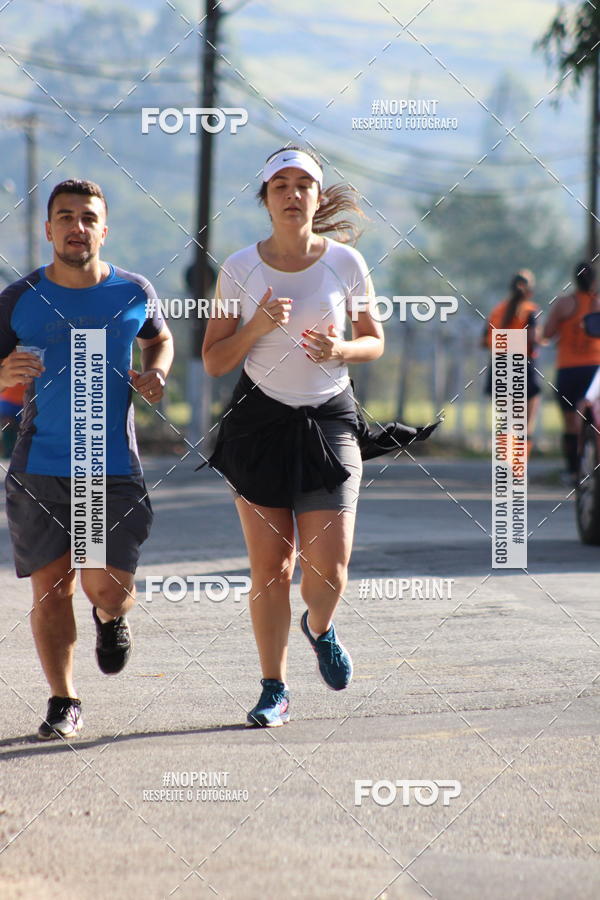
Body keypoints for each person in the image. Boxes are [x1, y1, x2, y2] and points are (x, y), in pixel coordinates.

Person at [203, 145, 423, 727]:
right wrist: (257, 326)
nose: (293, 193)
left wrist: (341, 348)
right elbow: (214, 361)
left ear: (317, 197)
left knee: (330, 569)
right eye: (281, 185)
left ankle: (319, 626)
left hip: (328, 418)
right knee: (270, 568)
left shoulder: (346, 263)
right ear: (266, 198)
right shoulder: (238, 268)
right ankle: (273, 688)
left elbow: (374, 340)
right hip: (259, 423)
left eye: (304, 184)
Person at [0, 178, 174, 740]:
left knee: (105, 588)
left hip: (108, 466)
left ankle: (110, 617)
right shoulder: (17, 299)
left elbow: (158, 338)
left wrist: (158, 372)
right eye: (65, 217)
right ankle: (63, 699)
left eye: (88, 217)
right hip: (39, 465)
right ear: (48, 229)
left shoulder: (132, 291)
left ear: (105, 229)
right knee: (51, 588)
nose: (77, 227)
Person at [543, 261, 600, 482]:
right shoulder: (598, 303)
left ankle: (574, 470)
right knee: (593, 419)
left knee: (570, 422)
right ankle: (591, 467)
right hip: (594, 369)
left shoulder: (563, 304)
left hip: (568, 368)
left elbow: (547, 334)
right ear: (594, 279)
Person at [482, 269, 541, 460]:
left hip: (499, 364)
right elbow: (533, 338)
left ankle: (506, 461)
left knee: (506, 421)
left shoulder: (497, 310)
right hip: (522, 365)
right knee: (525, 422)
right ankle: (518, 467)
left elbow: (484, 340)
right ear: (530, 290)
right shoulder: (529, 310)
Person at [0, 382, 25, 457]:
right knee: (8, 427)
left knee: (21, 430)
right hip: (7, 401)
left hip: (23, 401)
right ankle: (7, 454)